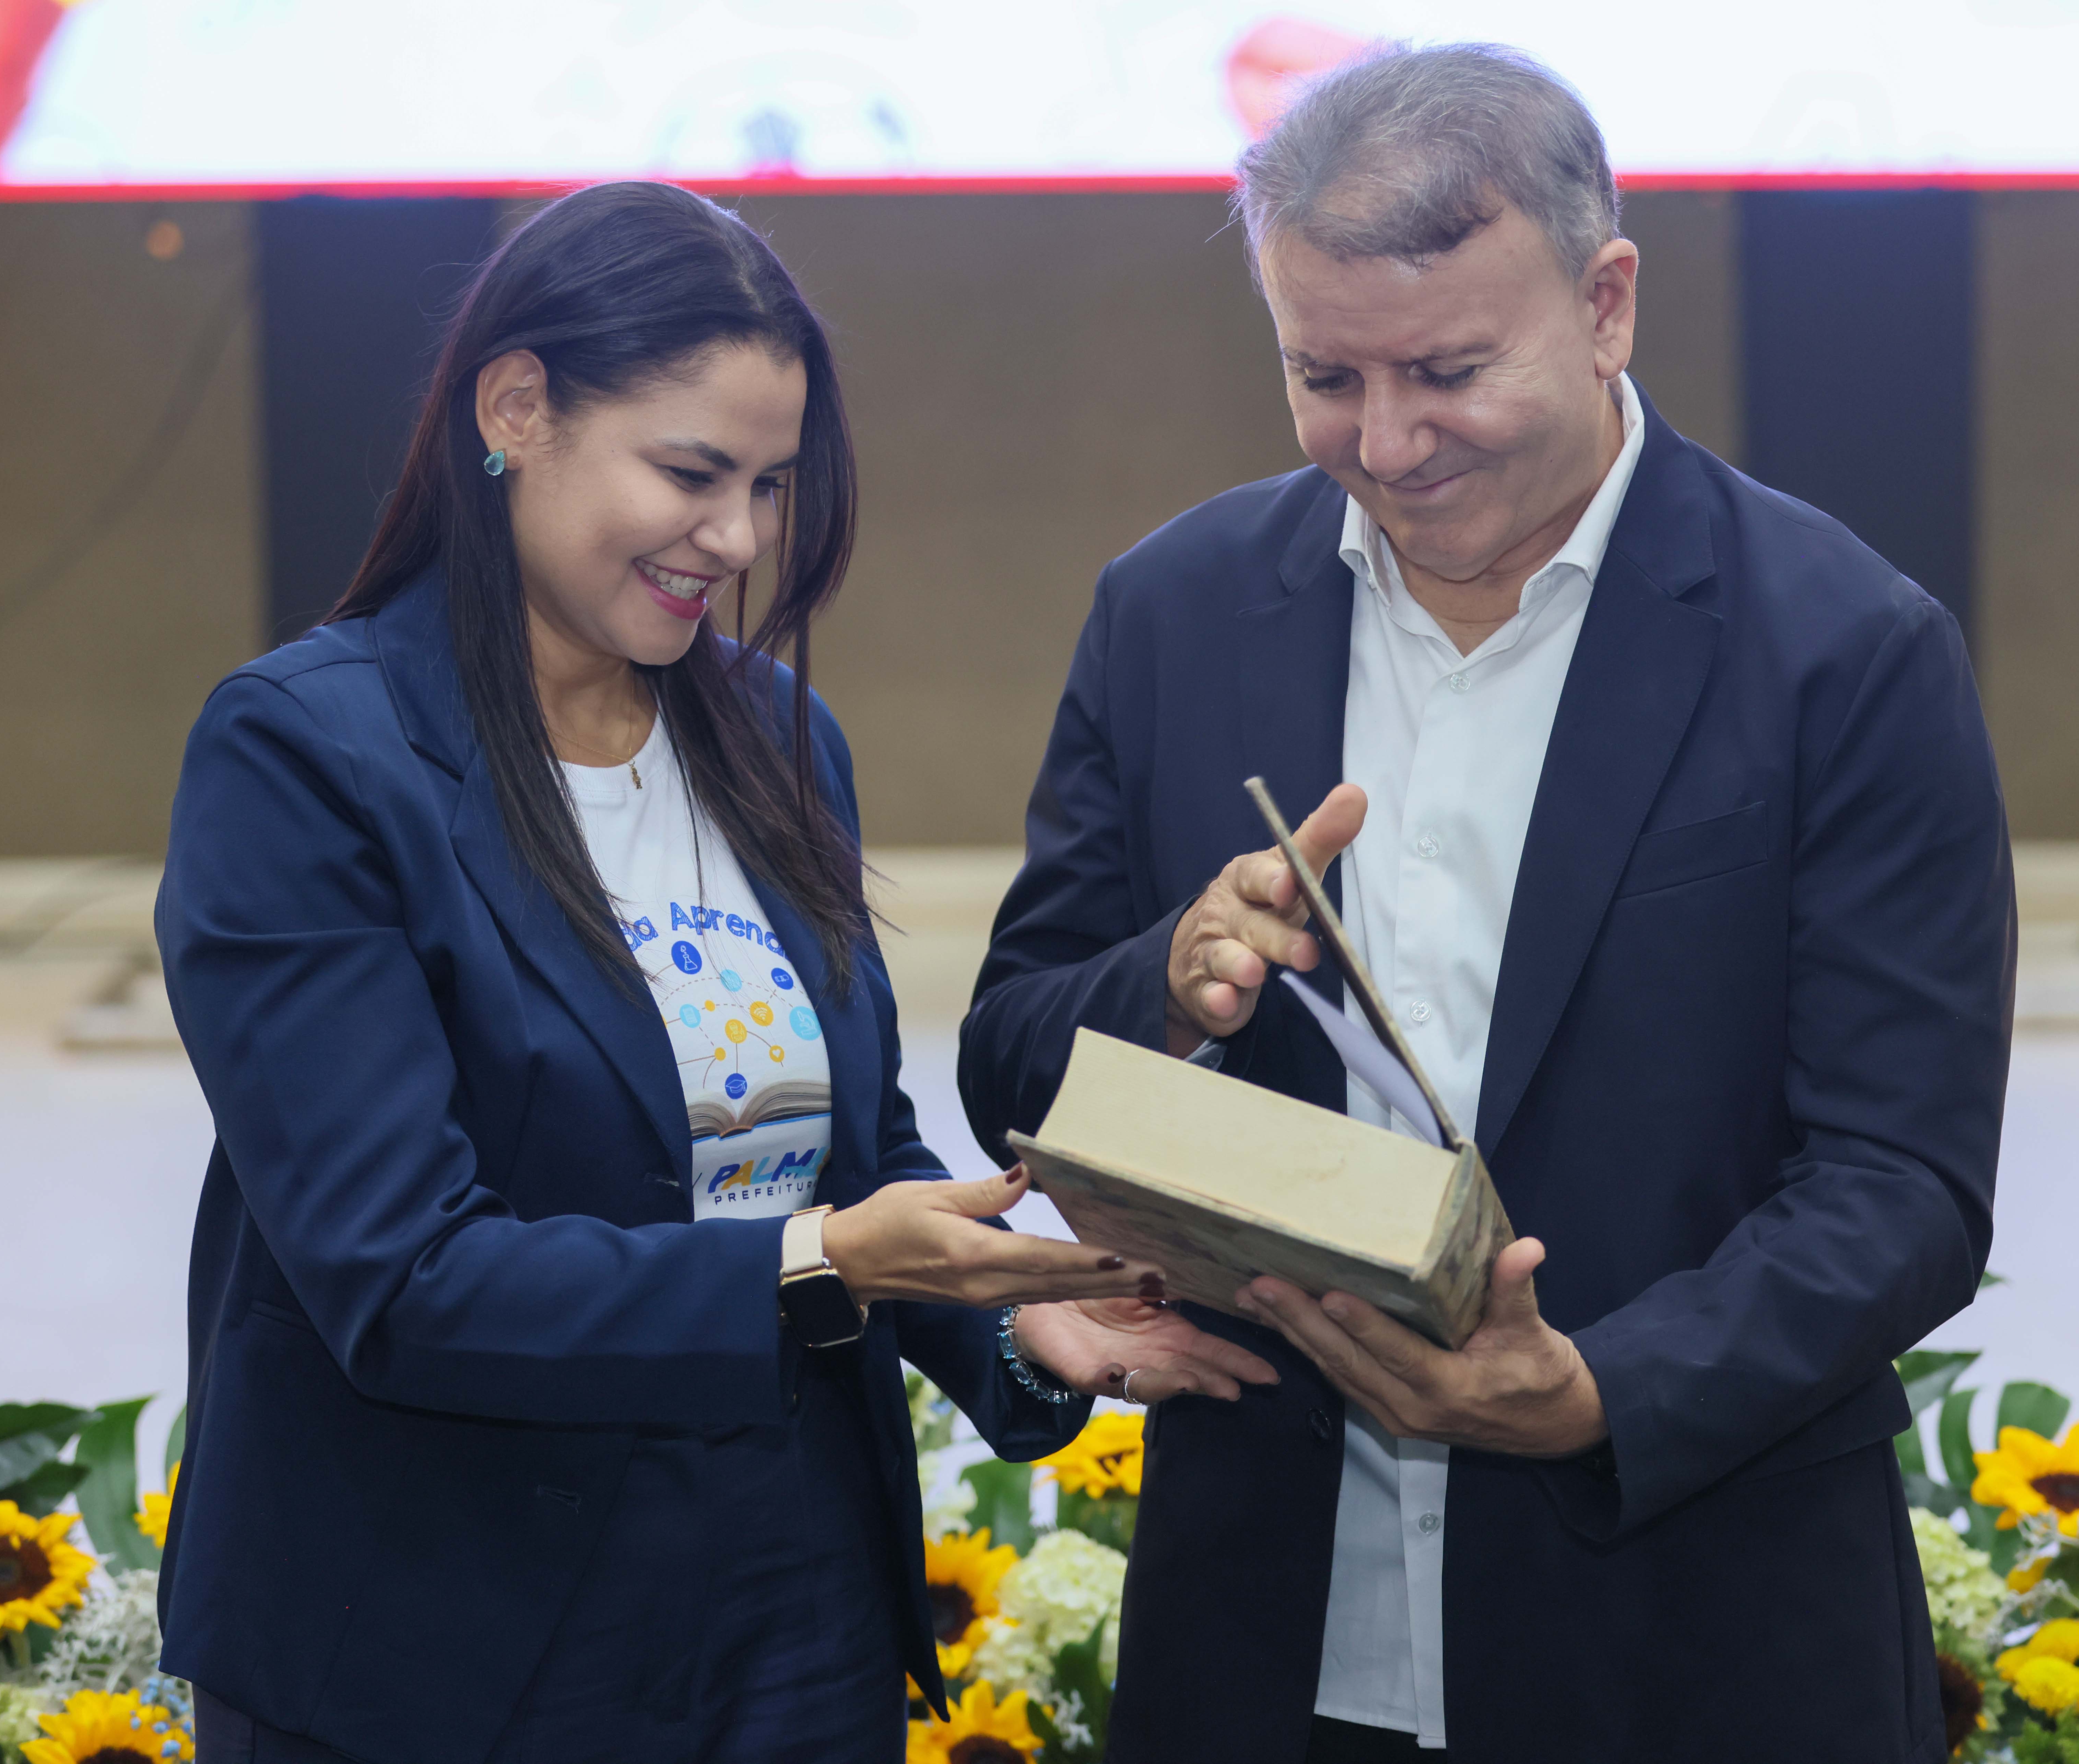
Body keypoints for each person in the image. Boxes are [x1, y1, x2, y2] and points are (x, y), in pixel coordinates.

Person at [965, 45, 2015, 1764]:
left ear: (1606, 305)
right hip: (1264, 1626)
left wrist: (1598, 1393)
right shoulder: (1173, 613)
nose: (1386, 442)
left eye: (1450, 369)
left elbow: (1902, 1183)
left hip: (1690, 1628)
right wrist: (1171, 977)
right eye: (1324, 377)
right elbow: (1015, 1066)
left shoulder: (1841, 647)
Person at [154, 181, 1271, 1764]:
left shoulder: (772, 734)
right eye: (688, 472)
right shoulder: (305, 753)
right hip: (434, 1636)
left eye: (768, 484)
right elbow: (399, 1279)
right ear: (516, 407)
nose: (738, 539)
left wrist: (1016, 1327)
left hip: (784, 1608)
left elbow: (846, 1152)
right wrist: (823, 1264)